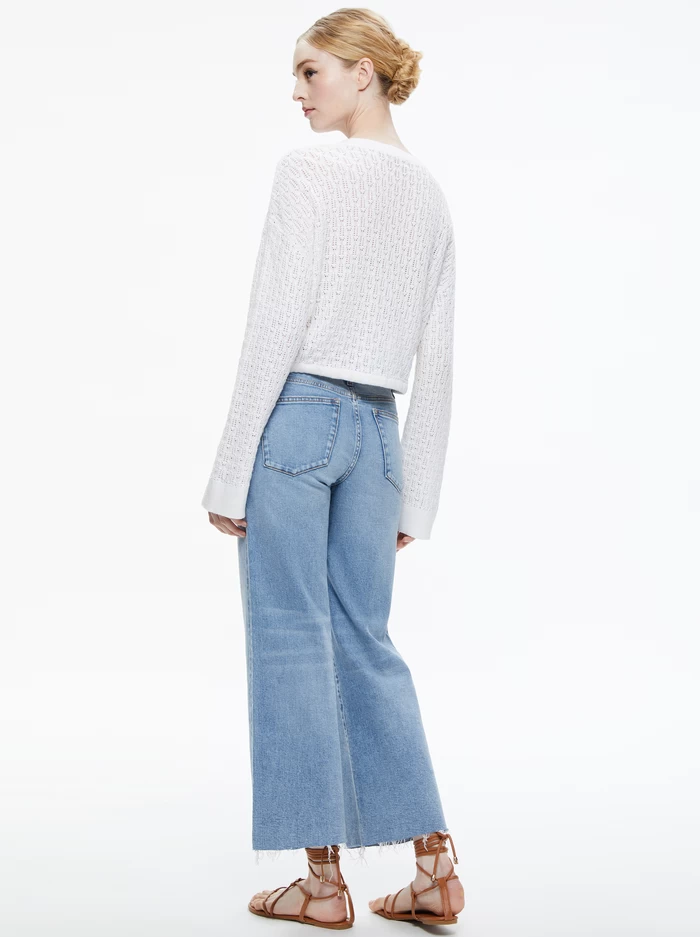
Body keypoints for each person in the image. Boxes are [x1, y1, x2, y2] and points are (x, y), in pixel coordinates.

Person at [201, 8, 463, 929]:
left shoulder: (309, 171)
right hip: (379, 433)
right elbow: (440, 357)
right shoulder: (430, 195)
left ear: (363, 72)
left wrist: (229, 470)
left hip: (301, 418)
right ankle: (435, 865)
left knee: (288, 635)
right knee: (366, 639)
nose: (297, 92)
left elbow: (276, 318)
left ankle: (320, 883)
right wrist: (415, 495)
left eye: (311, 71)